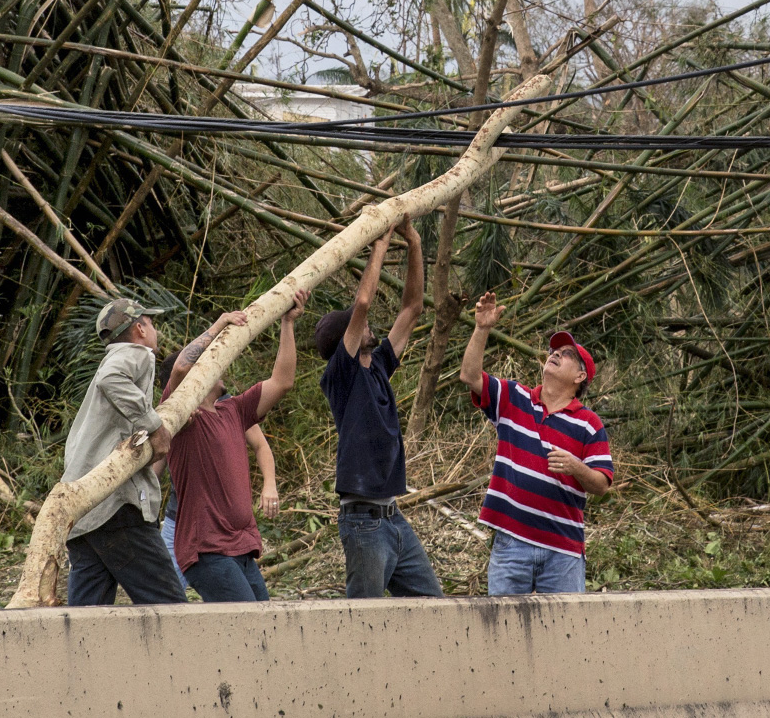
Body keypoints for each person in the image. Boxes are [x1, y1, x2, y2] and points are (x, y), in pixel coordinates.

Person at [311, 219, 443, 598]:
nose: (369, 324)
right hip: (363, 522)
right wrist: (381, 242)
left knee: (432, 606)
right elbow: (364, 301)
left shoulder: (378, 365)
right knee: (362, 621)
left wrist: (414, 241)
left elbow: (413, 308)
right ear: (345, 341)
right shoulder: (343, 374)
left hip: (393, 517)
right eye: (361, 324)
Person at [460, 292, 613, 595]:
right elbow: (469, 375)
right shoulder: (514, 398)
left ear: (580, 376)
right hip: (511, 544)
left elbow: (601, 485)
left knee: (565, 637)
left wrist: (575, 467)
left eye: (567, 353)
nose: (555, 353)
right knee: (504, 634)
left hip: (563, 552)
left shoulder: (589, 424)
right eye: (554, 350)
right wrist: (482, 328)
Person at [159, 294, 305, 601]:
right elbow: (182, 368)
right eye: (212, 359)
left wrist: (287, 323)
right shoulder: (182, 417)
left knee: (264, 627)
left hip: (241, 548)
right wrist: (219, 324)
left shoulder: (233, 410)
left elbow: (282, 382)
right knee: (252, 631)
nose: (220, 364)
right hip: (207, 551)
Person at [61, 296, 187, 606]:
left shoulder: (112, 360)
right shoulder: (135, 353)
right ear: (141, 329)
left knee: (84, 625)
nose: (154, 329)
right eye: (151, 322)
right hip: (117, 507)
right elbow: (112, 379)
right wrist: (155, 426)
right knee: (172, 611)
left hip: (84, 514)